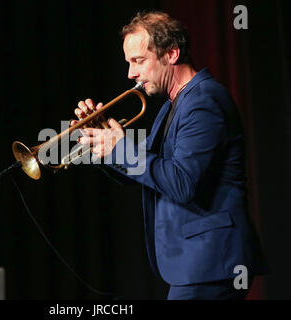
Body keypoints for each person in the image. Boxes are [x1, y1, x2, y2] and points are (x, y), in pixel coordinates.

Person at [70, 11, 269, 300]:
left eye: (138, 61)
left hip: (212, 260)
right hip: (198, 263)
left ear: (172, 54)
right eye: (129, 63)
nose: (131, 74)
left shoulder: (203, 101)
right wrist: (101, 142)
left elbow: (181, 183)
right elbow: (149, 172)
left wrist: (121, 148)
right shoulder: (172, 106)